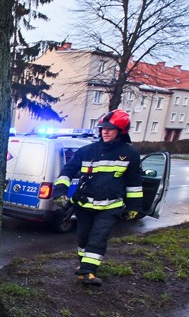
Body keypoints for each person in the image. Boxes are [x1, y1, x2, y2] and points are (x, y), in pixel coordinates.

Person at [52, 109, 143, 286]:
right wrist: (60, 192)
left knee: (98, 237)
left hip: (110, 207)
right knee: (83, 238)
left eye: (111, 128)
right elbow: (67, 171)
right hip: (84, 205)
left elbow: (134, 183)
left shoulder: (130, 154)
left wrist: (134, 208)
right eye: (103, 128)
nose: (105, 131)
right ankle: (84, 266)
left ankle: (88, 272)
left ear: (121, 131)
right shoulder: (86, 151)